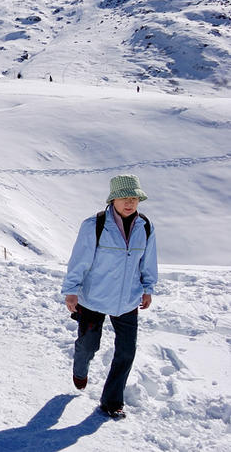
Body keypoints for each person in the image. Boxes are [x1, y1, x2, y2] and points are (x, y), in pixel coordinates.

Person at [61, 175, 158, 419]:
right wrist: (71, 290)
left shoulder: (144, 226)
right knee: (88, 345)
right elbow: (79, 259)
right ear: (113, 199)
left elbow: (148, 260)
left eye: (134, 198)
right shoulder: (95, 225)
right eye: (125, 198)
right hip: (94, 298)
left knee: (126, 351)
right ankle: (80, 366)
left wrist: (148, 288)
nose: (130, 203)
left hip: (127, 300)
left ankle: (112, 400)